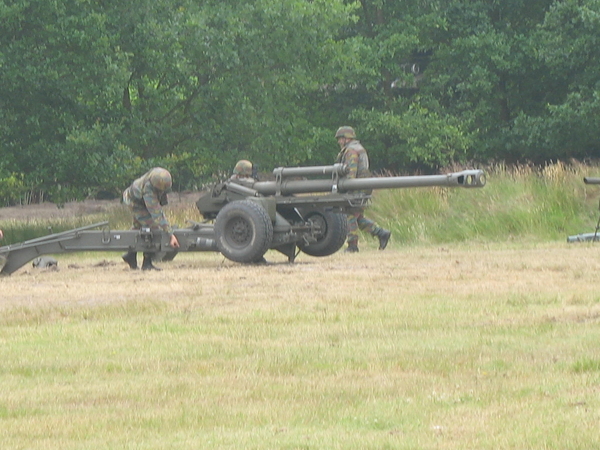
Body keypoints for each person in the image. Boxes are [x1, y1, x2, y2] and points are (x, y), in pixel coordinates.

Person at [335, 126, 391, 253]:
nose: (339, 142)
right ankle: (381, 233)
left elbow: (351, 172)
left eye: (340, 139)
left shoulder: (351, 151)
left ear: (346, 138)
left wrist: (346, 187)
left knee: (349, 214)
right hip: (362, 185)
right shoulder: (358, 148)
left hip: (356, 186)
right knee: (357, 216)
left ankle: (352, 246)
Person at [121, 167, 180, 270]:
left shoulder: (156, 177)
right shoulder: (148, 189)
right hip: (135, 202)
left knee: (137, 228)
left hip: (139, 200)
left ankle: (130, 255)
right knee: (152, 228)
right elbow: (156, 214)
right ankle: (146, 263)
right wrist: (170, 234)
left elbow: (161, 198)